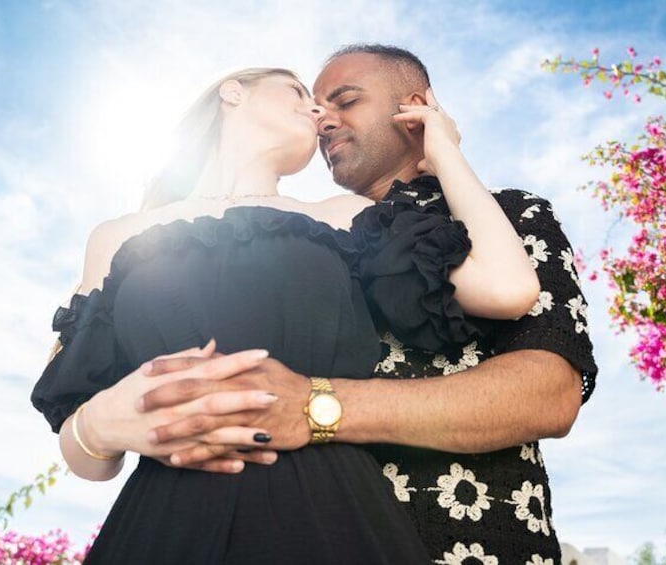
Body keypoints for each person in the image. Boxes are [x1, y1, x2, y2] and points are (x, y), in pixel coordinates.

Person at [31, 66, 539, 563]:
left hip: (327, 512)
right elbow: (85, 457)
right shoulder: (116, 236)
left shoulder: (342, 217)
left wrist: (444, 150)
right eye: (297, 90)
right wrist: (98, 427)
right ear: (233, 93)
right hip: (161, 522)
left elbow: (508, 287)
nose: (317, 109)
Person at [137, 45, 599, 564]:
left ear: (415, 107)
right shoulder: (301, 238)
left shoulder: (511, 218)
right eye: (313, 105)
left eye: (345, 100)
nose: (322, 119)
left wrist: (316, 407)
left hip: (479, 543)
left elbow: (548, 393)